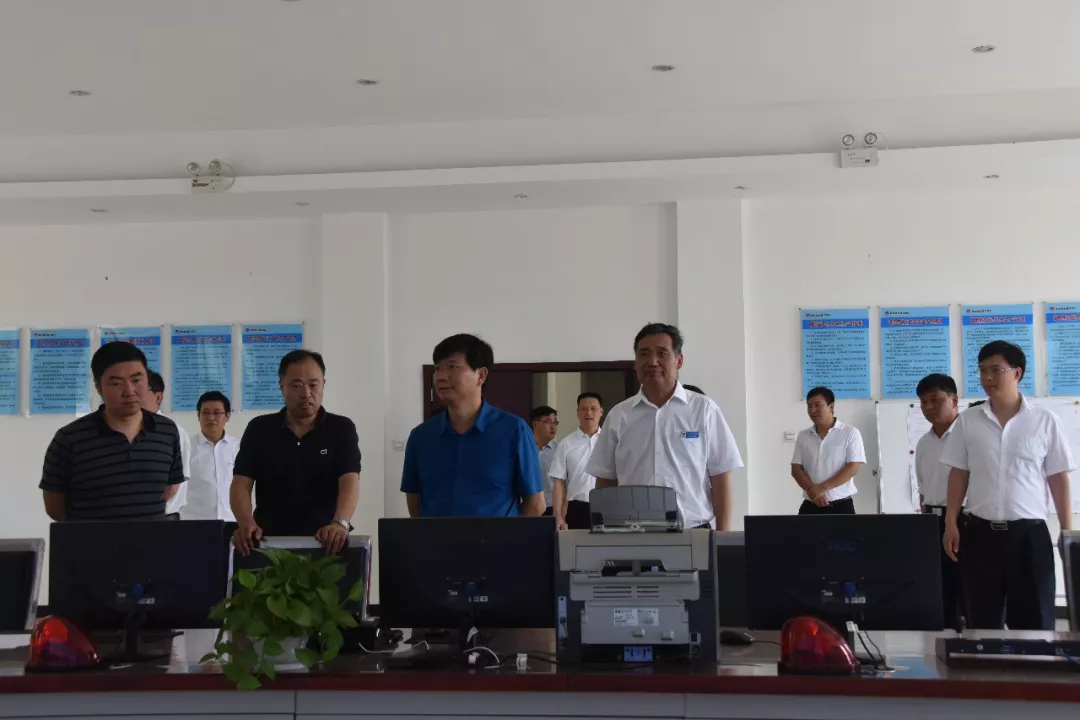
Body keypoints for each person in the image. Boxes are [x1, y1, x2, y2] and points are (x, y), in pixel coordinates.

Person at [942, 341, 1074, 630]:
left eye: (995, 370)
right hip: (979, 536)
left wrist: (1067, 532)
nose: (987, 378)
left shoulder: (1044, 421)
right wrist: (951, 522)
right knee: (981, 623)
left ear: (1017, 373)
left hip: (1029, 537)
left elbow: (1058, 477)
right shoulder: (969, 421)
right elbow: (959, 473)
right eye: (982, 371)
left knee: (1035, 624)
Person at [587, 323, 743, 530]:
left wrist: (723, 536)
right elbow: (606, 480)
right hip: (631, 533)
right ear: (635, 363)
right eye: (644, 354)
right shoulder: (619, 415)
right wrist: (605, 530)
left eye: (662, 353)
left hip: (692, 532)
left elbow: (721, 477)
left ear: (679, 360)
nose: (653, 362)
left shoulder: (704, 410)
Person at [231, 350, 361, 556]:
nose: (306, 393)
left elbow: (349, 480)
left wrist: (340, 523)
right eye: (297, 385)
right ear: (281, 386)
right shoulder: (259, 429)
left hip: (326, 543)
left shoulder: (341, 428)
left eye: (313, 384)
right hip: (267, 544)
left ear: (323, 385)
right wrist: (246, 523)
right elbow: (241, 482)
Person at [402, 333, 545, 518]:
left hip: (497, 538)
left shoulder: (514, 430)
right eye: (437, 369)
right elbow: (415, 503)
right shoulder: (421, 437)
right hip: (437, 538)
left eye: (452, 367)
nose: (441, 376)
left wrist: (509, 535)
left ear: (481, 375)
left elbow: (536, 504)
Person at [40, 342, 184, 521]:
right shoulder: (70, 439)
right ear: (98, 387)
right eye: (116, 383)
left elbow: (170, 488)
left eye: (136, 380)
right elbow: (54, 506)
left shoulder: (167, 431)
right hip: (91, 539)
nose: (129, 391)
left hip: (152, 538)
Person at [914, 373, 963, 629]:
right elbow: (923, 488)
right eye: (924, 402)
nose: (929, 407)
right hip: (932, 521)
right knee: (938, 590)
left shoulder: (967, 436)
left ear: (954, 400)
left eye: (936, 400)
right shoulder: (924, 442)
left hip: (964, 520)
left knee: (966, 589)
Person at [790, 386, 865, 515]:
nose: (813, 410)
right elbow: (796, 469)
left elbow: (853, 467)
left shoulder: (850, 433)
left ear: (831, 407)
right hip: (810, 503)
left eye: (818, 405)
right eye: (809, 406)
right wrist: (813, 492)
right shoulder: (803, 436)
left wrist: (821, 488)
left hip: (841, 506)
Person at [183, 391, 240, 522]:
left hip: (231, 521)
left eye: (217, 412)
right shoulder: (186, 447)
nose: (211, 417)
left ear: (227, 416)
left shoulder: (239, 448)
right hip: (194, 522)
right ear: (198, 416)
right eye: (206, 412)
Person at [550, 392, 604, 530]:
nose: (589, 413)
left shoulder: (610, 440)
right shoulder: (566, 444)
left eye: (593, 408)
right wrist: (558, 515)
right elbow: (559, 482)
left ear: (601, 412)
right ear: (578, 412)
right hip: (578, 508)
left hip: (607, 505)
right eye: (584, 409)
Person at [144, 370, 192, 519]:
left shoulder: (172, 431)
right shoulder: (129, 430)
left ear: (158, 397)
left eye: (141, 390)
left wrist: (147, 510)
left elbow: (173, 485)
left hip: (162, 518)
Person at [531, 405, 559, 516]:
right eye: (548, 422)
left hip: (552, 508)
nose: (553, 426)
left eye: (555, 422)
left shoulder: (560, 451)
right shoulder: (524, 449)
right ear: (535, 424)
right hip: (528, 507)